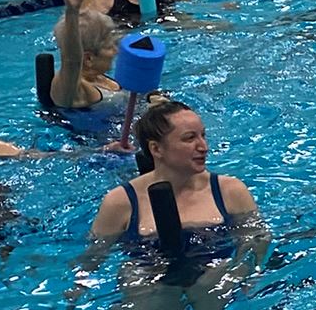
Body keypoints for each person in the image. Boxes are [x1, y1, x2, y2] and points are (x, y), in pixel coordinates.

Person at [87, 99, 261, 279]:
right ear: (156, 149)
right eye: (189, 138)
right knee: (132, 277)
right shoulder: (120, 202)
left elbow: (256, 243)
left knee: (215, 275)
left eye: (203, 135)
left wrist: (241, 276)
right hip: (150, 283)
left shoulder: (230, 191)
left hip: (216, 280)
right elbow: (91, 260)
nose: (204, 147)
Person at [49, 0, 129, 135]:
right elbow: (71, 60)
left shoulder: (98, 76)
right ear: (88, 58)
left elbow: (88, 10)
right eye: (109, 46)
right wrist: (71, 12)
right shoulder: (75, 91)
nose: (116, 51)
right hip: (98, 149)